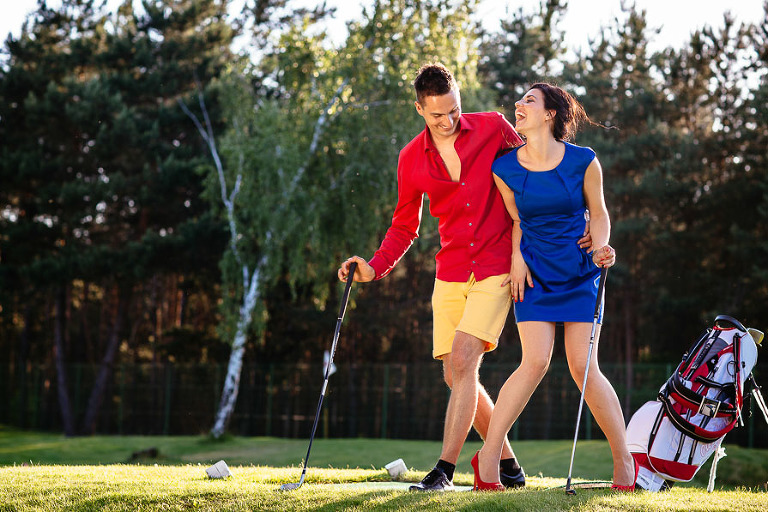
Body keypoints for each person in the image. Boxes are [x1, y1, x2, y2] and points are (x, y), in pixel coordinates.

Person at [338, 63, 529, 492]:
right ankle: (509, 464)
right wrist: (374, 267)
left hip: (497, 264)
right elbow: (405, 226)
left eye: (454, 110)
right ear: (420, 109)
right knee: (456, 376)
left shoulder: (494, 128)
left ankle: (444, 470)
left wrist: (559, 228)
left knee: (463, 362)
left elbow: (534, 173)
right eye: (437, 115)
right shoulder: (410, 157)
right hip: (450, 272)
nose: (448, 122)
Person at [470, 83, 637, 491]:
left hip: (581, 271)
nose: (519, 105)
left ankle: (624, 462)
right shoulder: (504, 168)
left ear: (550, 115)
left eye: (529, 100)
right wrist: (516, 257)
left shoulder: (583, 160)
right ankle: (488, 456)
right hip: (535, 274)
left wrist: (600, 246)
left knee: (582, 366)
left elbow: (598, 214)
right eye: (520, 99)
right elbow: (515, 221)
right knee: (535, 362)